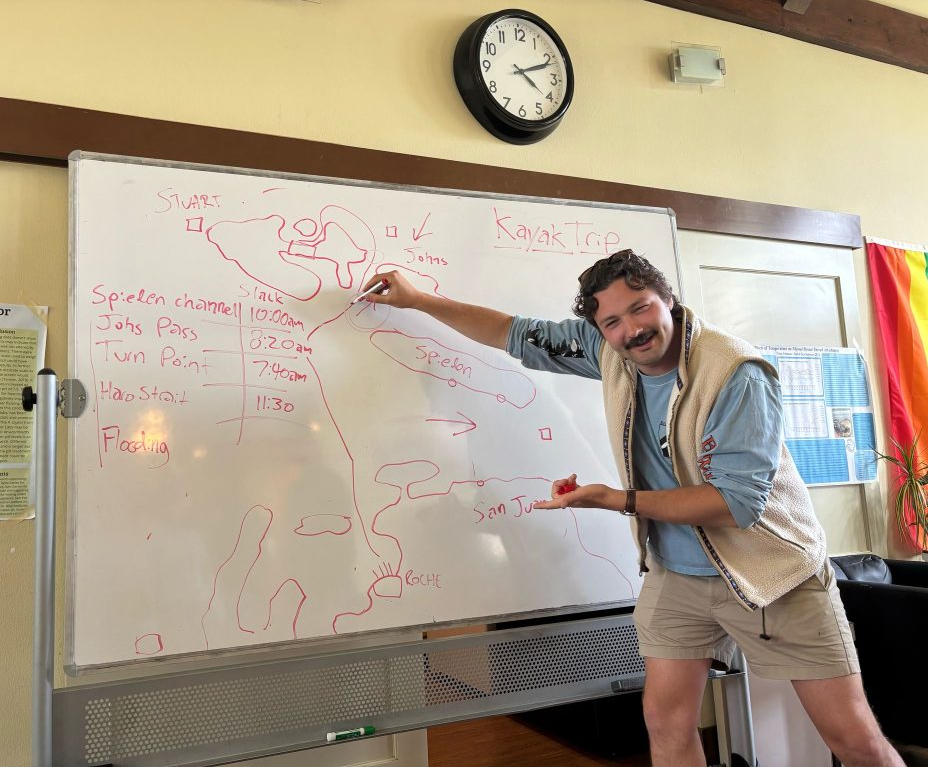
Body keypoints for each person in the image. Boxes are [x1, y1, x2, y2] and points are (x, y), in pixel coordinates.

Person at [360, 250, 902, 767]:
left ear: (668, 299)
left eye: (640, 308)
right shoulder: (608, 348)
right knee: (665, 724)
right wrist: (419, 300)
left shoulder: (735, 372)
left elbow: (734, 503)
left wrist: (614, 500)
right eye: (612, 321)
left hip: (770, 575)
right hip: (678, 577)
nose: (631, 330)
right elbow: (510, 331)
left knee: (852, 739)